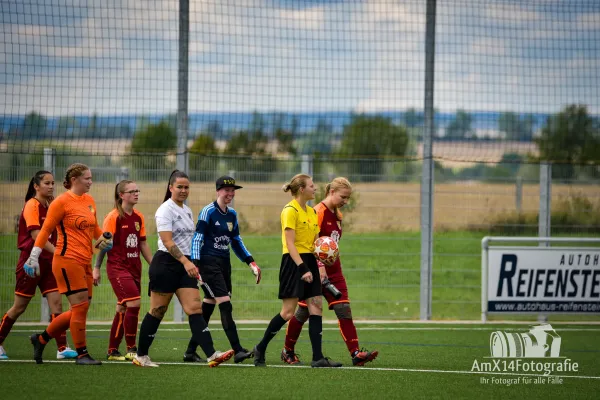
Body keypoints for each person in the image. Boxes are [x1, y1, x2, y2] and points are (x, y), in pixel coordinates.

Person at [133, 170, 234, 368]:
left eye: (186, 187)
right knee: (157, 310)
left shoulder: (186, 210)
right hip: (166, 264)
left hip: (185, 265)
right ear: (170, 188)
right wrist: (186, 263)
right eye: (179, 187)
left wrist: (195, 261)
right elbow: (167, 241)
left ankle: (212, 354)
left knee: (194, 308)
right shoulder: (165, 210)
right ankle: (141, 356)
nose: (183, 190)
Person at [281, 177, 379, 366]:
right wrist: (319, 267)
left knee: (344, 309)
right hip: (317, 270)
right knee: (302, 312)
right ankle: (288, 351)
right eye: (343, 196)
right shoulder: (318, 212)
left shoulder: (337, 215)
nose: (345, 201)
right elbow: (310, 243)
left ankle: (356, 353)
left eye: (348, 198)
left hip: (335, 271)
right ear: (331, 192)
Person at [26, 163, 113, 365]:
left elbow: (95, 230)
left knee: (80, 308)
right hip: (67, 260)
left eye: (91, 178)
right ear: (74, 180)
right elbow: (45, 230)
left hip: (85, 261)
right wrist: (34, 256)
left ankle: (40, 339)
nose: (91, 182)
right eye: (87, 178)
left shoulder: (89, 201)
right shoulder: (61, 202)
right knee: (80, 307)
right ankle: (82, 354)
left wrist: (106, 240)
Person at [253, 174, 342, 368]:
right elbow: (290, 244)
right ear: (302, 189)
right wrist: (303, 268)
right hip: (294, 263)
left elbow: (317, 243)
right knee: (287, 312)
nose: (315, 188)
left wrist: (323, 260)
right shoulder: (289, 211)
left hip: (310, 261)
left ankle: (317, 358)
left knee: (316, 307)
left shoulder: (311, 212)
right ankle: (260, 347)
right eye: (311, 186)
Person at [0, 171, 77, 360]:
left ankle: (61, 348)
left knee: (57, 305)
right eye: (47, 183)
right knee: (19, 307)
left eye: (53, 183)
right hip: (30, 262)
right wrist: (60, 252)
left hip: (50, 262)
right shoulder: (31, 205)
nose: (51, 186)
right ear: (36, 186)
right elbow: (36, 237)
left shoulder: (50, 205)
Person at [183, 176, 261, 364]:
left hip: (224, 263)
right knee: (225, 304)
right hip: (208, 263)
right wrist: (195, 262)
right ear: (218, 191)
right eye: (227, 190)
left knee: (208, 305)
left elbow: (236, 241)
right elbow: (197, 238)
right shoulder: (207, 212)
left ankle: (190, 351)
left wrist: (250, 261)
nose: (230, 194)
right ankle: (238, 349)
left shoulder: (232, 214)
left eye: (233, 191)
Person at [93, 180, 153, 361]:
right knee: (134, 303)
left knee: (122, 307)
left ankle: (112, 351)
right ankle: (132, 348)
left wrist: (154, 265)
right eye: (132, 191)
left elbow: (142, 243)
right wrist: (96, 268)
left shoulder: (139, 217)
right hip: (118, 268)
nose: (136, 194)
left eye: (137, 190)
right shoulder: (113, 217)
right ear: (121, 195)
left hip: (135, 268)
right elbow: (104, 245)